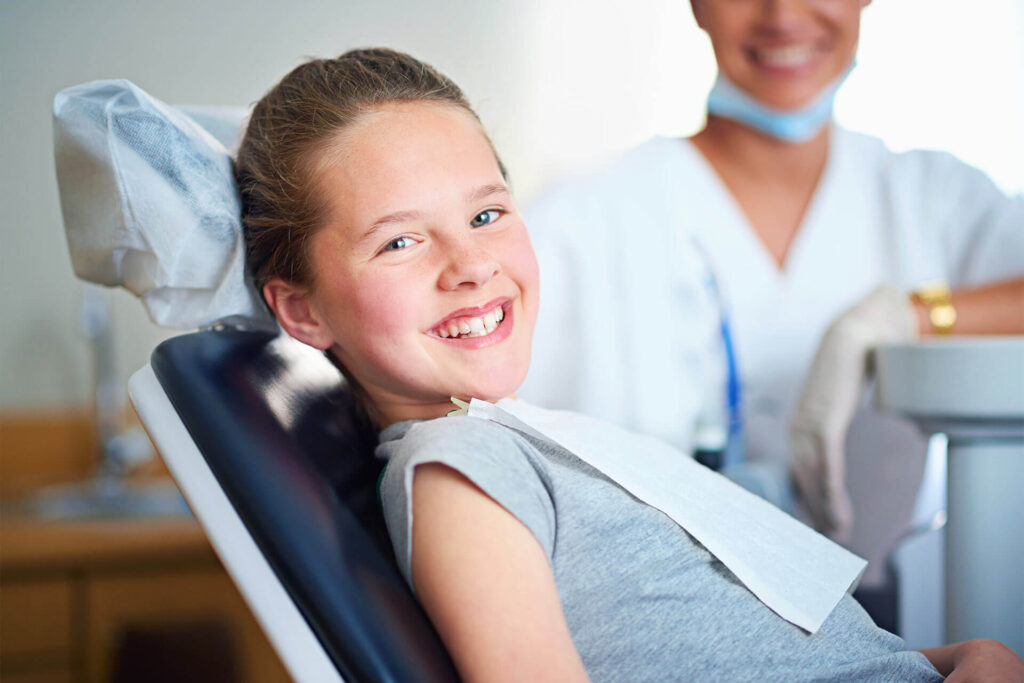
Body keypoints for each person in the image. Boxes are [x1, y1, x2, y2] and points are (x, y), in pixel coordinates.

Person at [234, 48, 1022, 681]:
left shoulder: (522, 442)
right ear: (301, 309)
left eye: (485, 214)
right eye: (400, 240)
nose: (470, 264)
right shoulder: (457, 472)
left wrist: (953, 658)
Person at [518, 0, 1024, 576]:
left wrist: (908, 318)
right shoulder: (581, 220)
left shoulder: (931, 199)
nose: (782, 16)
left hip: (882, 631)